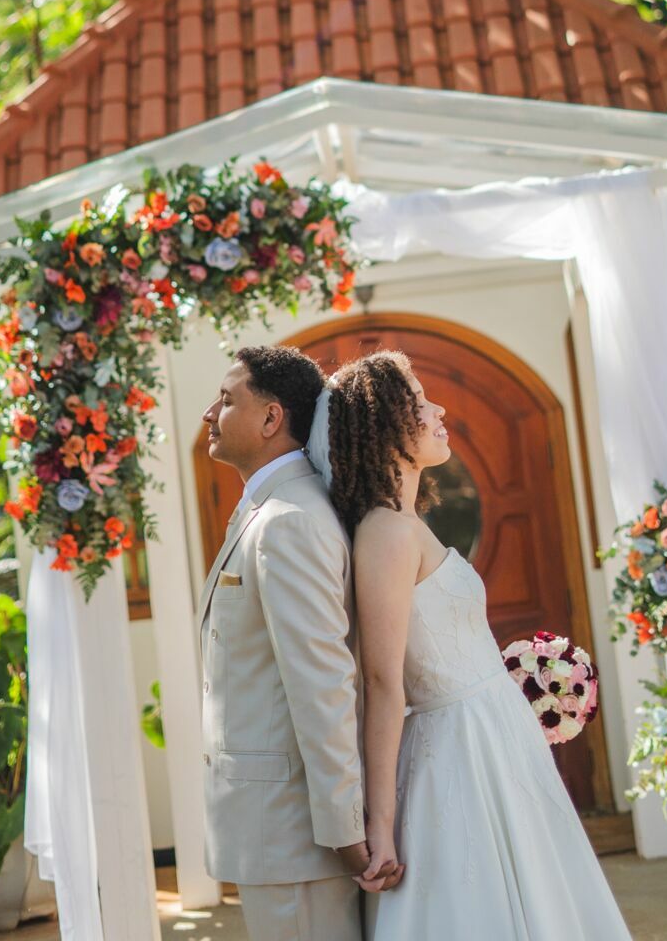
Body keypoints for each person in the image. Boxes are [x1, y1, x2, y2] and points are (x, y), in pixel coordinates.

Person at [313, 348, 634, 941]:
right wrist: (378, 823)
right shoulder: (385, 533)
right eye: (418, 401)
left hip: (494, 733)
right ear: (384, 425)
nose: (438, 410)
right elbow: (382, 682)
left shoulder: (407, 522)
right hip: (457, 748)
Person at [198, 344, 400, 941]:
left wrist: (344, 830)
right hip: (273, 835)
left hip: (296, 838)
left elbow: (323, 685)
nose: (209, 413)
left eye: (226, 399)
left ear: (271, 417)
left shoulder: (288, 521)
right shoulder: (267, 510)